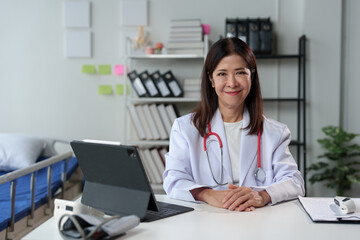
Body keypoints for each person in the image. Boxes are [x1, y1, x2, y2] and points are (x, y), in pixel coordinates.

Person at [163, 37, 305, 212]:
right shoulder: (185, 128)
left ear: (251, 76)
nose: (232, 83)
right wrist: (207, 194)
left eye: (240, 72)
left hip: (257, 221)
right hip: (206, 221)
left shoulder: (274, 132)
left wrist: (262, 195)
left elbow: (294, 182)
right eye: (222, 73)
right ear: (211, 79)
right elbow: (174, 180)